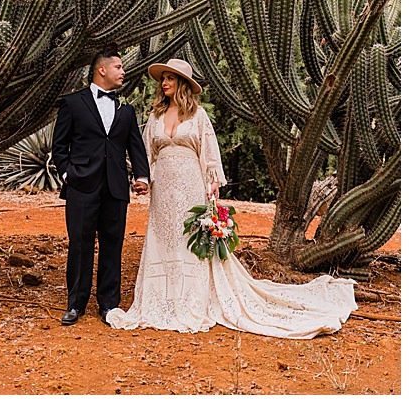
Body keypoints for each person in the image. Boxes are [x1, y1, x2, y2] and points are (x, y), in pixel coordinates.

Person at [106, 58, 357, 337]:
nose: (164, 83)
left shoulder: (197, 116)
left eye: (170, 78)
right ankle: (162, 299)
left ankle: (191, 299)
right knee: (164, 238)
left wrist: (212, 185)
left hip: (190, 183)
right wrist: (143, 179)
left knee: (188, 240)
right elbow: (145, 154)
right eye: (162, 78)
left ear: (183, 85)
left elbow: (210, 154)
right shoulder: (155, 117)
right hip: (163, 187)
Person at [53, 49, 150, 325]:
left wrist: (141, 176)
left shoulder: (126, 110)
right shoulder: (73, 103)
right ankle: (76, 304)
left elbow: (135, 146)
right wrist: (67, 175)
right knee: (80, 244)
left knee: (113, 244)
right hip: (81, 185)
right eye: (118, 67)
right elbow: (59, 146)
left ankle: (108, 305)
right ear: (102, 70)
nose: (123, 71)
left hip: (115, 186)